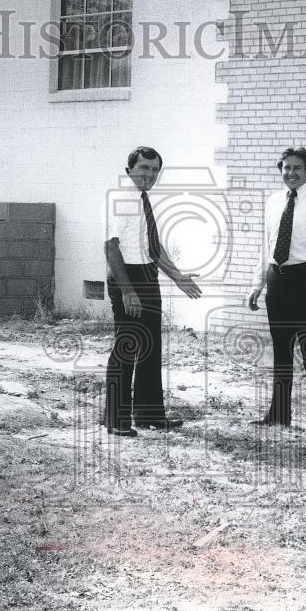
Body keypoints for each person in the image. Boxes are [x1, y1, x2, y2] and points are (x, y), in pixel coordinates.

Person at [104, 146, 203, 437]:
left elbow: (154, 248)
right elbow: (111, 247)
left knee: (150, 348)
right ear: (129, 170)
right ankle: (115, 420)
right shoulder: (119, 199)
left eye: (154, 169)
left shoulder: (145, 200)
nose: (149, 174)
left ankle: (149, 416)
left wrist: (178, 277)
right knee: (127, 347)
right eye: (144, 168)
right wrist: (127, 291)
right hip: (127, 277)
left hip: (148, 275)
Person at [247, 146, 306, 432]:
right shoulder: (273, 201)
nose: (291, 173)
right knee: (281, 351)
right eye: (286, 167)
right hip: (278, 281)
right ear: (281, 170)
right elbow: (265, 246)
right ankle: (278, 414)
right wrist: (257, 284)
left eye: (297, 168)